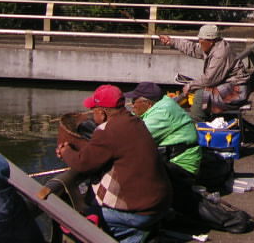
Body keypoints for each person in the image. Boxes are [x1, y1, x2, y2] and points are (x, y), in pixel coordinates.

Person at [56, 84, 172, 243]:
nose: (91, 114)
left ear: (102, 113)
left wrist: (66, 152)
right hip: (159, 204)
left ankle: (132, 234)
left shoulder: (108, 131)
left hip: (140, 213)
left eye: (94, 110)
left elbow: (82, 163)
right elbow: (102, 150)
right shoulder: (134, 121)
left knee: (78, 220)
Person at [157, 24, 249, 121]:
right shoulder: (212, 46)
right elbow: (192, 48)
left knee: (201, 95)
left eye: (201, 41)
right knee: (201, 92)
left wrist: (190, 86)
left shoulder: (220, 54)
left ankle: (196, 125)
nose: (199, 43)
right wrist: (171, 41)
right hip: (228, 86)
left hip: (236, 91)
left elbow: (209, 80)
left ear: (211, 41)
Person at [125, 82, 202, 180]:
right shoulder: (160, 104)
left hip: (181, 168)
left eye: (134, 101)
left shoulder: (161, 114)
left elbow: (134, 139)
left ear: (147, 103)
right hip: (170, 159)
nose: (131, 104)